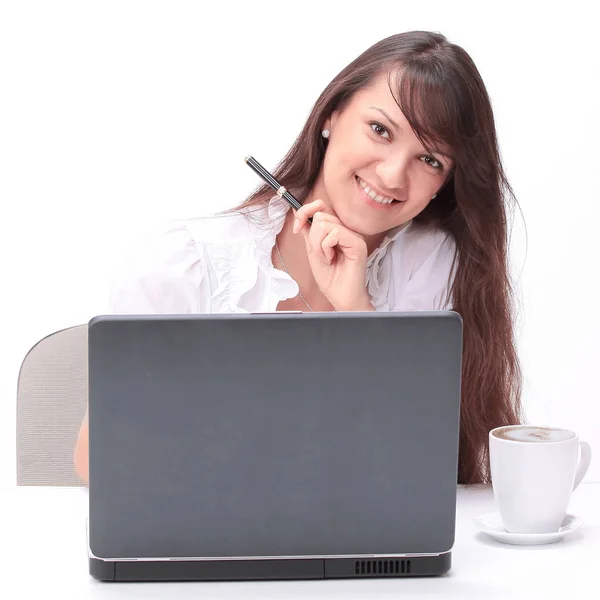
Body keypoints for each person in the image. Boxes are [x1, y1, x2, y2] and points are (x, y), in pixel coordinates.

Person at [74, 30, 523, 485]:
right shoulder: (182, 264)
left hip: (356, 545)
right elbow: (97, 462)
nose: (391, 175)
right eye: (380, 130)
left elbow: (421, 468)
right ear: (331, 115)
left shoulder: (429, 266)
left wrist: (358, 314)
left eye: (430, 160)